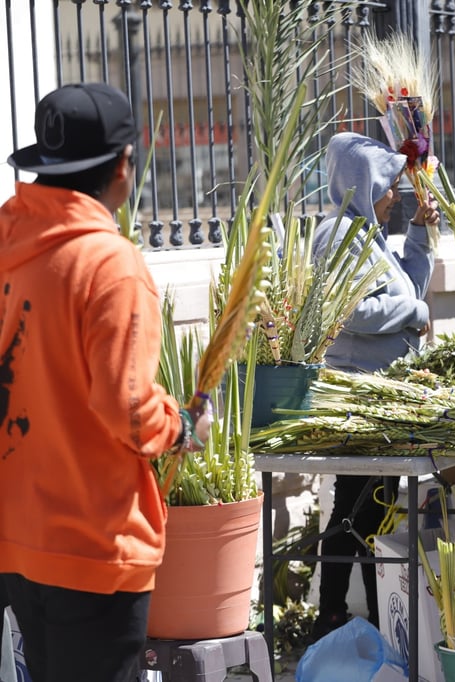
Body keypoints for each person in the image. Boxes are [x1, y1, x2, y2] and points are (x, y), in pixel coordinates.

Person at [0, 83, 210, 682]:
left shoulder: (8, 244)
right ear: (121, 169)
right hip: (94, 546)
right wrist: (183, 425)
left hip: (17, 537)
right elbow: (128, 410)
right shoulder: (109, 265)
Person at [309, 131, 439, 639]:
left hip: (385, 395)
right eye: (387, 187)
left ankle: (370, 622)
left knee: (372, 513)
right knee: (355, 510)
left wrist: (423, 237)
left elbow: (408, 288)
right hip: (359, 395)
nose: (394, 197)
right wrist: (417, 311)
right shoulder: (338, 235)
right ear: (362, 185)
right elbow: (354, 311)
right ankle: (334, 617)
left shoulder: (370, 235)